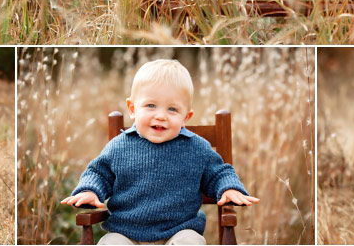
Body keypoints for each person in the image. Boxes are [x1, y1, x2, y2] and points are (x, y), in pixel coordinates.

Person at [61, 59, 258, 244]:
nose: (161, 116)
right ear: (132, 108)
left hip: (178, 231)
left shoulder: (197, 148)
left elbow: (219, 172)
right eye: (151, 105)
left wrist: (229, 188)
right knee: (111, 242)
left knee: (191, 241)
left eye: (172, 109)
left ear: (186, 117)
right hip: (125, 233)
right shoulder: (119, 146)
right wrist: (89, 190)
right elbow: (98, 172)